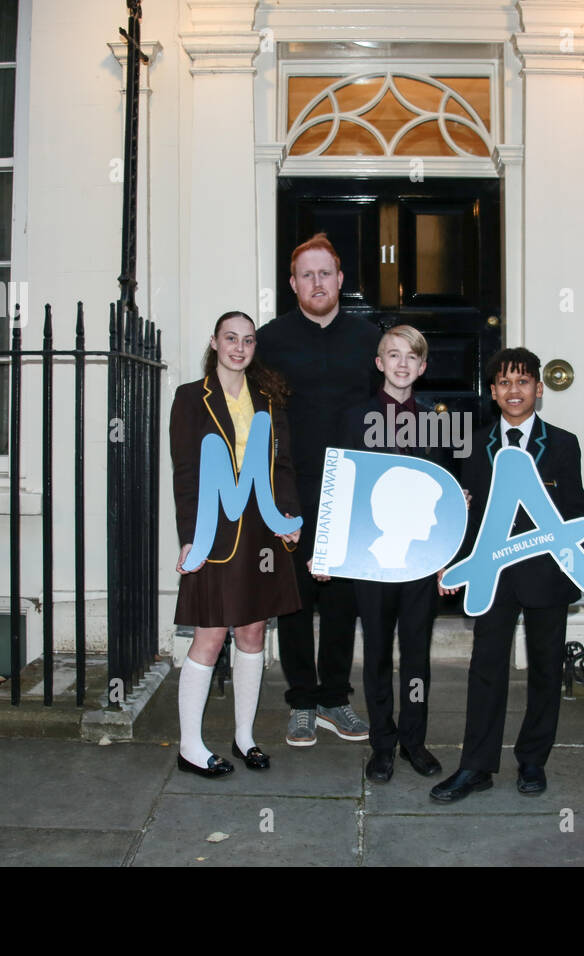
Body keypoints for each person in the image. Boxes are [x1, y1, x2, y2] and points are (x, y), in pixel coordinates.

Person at [431, 347, 584, 802]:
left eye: (523, 381)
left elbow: (577, 510)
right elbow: (466, 515)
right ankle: (476, 765)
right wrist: (451, 562)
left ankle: (533, 759)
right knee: (486, 667)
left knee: (545, 667)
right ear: (493, 392)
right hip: (492, 574)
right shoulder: (474, 443)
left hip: (546, 572)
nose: (514, 390)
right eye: (504, 383)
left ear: (537, 388)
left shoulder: (562, 443)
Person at [257, 234, 381, 747]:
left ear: (340, 280)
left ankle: (335, 697)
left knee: (343, 597)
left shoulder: (369, 338)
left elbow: (388, 411)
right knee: (294, 598)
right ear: (293, 284)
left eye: (324, 273)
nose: (316, 282)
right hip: (290, 486)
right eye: (306, 275)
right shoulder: (269, 339)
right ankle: (302, 702)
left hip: (352, 486)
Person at [170, 311, 302, 777]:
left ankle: (244, 736)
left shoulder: (268, 398)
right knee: (209, 634)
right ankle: (190, 746)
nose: (239, 348)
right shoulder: (191, 398)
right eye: (231, 338)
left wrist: (288, 514)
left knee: (252, 632)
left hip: (262, 532)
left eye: (247, 340)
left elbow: (282, 465)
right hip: (215, 532)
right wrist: (190, 537)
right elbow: (185, 473)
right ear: (214, 341)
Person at [339, 325, 448, 783]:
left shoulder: (436, 423)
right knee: (379, 652)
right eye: (393, 355)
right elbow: (341, 488)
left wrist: (447, 555)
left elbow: (446, 494)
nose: (402, 364)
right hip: (371, 558)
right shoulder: (353, 418)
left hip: (422, 559)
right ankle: (382, 743)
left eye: (412, 357)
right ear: (379, 363)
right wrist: (329, 553)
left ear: (422, 368)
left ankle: (414, 740)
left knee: (418, 654)